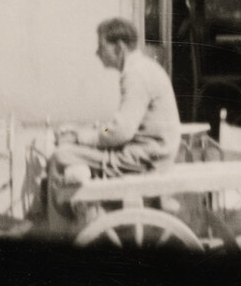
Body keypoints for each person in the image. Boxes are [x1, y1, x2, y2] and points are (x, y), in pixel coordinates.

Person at [46, 17, 183, 198]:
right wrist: (85, 132)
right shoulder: (143, 68)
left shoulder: (135, 75)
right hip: (150, 152)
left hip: (146, 159)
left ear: (119, 48)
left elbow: (120, 132)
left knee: (60, 156)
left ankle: (71, 219)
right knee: (70, 150)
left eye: (101, 47)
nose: (97, 53)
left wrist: (80, 138)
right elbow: (118, 126)